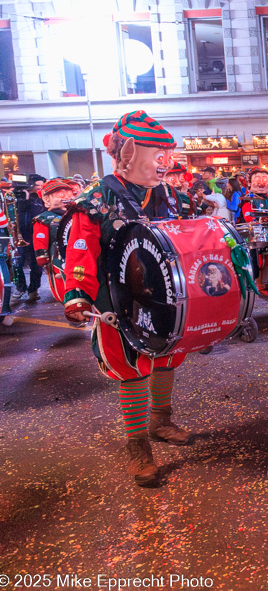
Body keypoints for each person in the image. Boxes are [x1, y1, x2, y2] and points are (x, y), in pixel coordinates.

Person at [62, 111, 191, 486]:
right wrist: (78, 294)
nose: (166, 163)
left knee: (167, 357)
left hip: (161, 297)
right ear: (129, 153)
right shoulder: (97, 197)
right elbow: (81, 246)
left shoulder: (166, 194)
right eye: (158, 154)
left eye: (168, 154)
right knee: (131, 368)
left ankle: (161, 422)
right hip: (115, 300)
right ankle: (138, 448)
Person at [32, 178, 75, 303]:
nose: (65, 198)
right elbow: (40, 238)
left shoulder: (77, 215)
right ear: (46, 199)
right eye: (60, 195)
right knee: (64, 287)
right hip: (58, 259)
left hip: (78, 257)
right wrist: (42, 256)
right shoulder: (43, 219)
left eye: (68, 194)